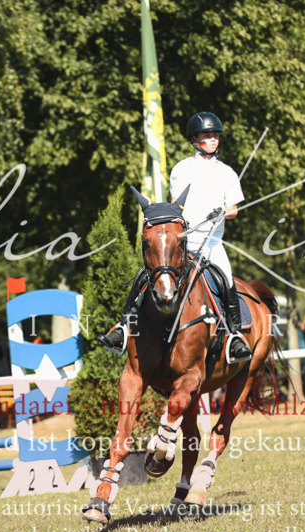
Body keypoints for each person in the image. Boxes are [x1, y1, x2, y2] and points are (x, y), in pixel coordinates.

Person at [98, 111, 251, 364]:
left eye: (215, 135)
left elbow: (234, 209)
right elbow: (175, 204)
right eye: (207, 136)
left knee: (227, 281)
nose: (213, 139)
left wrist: (221, 212)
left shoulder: (227, 173)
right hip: (183, 241)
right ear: (194, 139)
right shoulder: (182, 169)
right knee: (146, 275)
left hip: (212, 243)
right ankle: (122, 328)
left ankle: (235, 337)